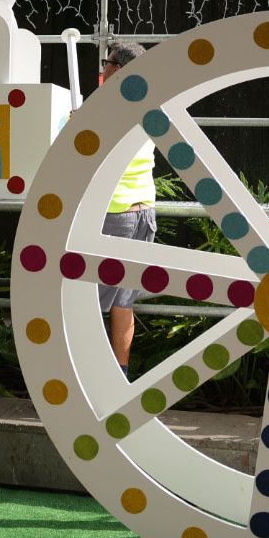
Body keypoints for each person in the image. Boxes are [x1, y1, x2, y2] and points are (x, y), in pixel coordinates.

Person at [98, 41, 155, 371]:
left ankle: (93, 382)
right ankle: (118, 377)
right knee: (123, 302)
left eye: (106, 63)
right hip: (144, 209)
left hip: (116, 212)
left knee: (90, 301)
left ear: (117, 70)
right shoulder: (147, 101)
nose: (103, 69)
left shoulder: (114, 105)